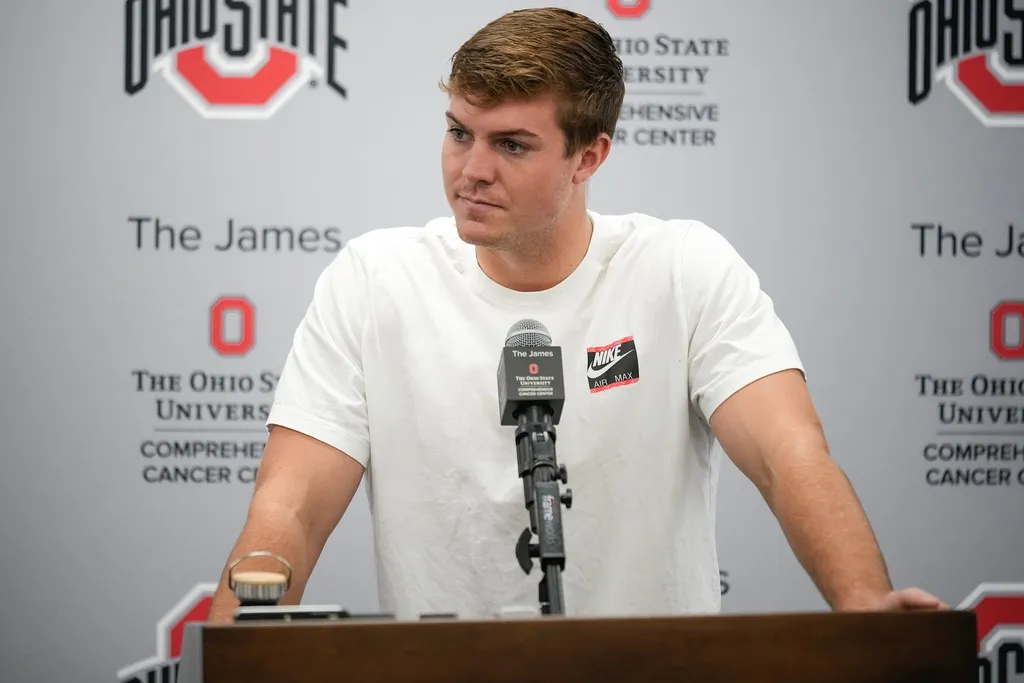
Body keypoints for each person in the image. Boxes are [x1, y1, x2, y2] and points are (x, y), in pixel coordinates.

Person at [207, 7, 946, 622]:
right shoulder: (373, 280)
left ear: (589, 157)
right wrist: (236, 640)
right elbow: (291, 505)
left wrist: (863, 605)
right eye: (460, 131)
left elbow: (791, 458)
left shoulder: (683, 267)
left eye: (512, 145)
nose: (471, 170)